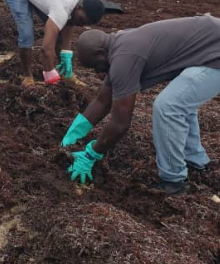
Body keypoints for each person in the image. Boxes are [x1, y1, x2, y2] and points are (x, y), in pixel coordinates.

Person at [61, 16, 220, 195]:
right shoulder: (118, 46)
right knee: (180, 101)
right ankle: (195, 160)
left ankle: (173, 181)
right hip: (207, 43)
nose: (98, 71)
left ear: (100, 53)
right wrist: (74, 132)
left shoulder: (124, 58)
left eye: (95, 66)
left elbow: (121, 124)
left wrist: (92, 154)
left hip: (215, 51)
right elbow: (102, 100)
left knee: (169, 107)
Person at [3, 0, 106, 85]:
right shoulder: (63, 5)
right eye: (81, 20)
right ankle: (27, 76)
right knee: (27, 35)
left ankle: (65, 74)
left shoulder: (85, 2)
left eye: (85, 24)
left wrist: (67, 64)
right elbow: (46, 49)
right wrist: (50, 77)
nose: (81, 24)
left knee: (60, 36)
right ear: (79, 7)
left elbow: (68, 29)